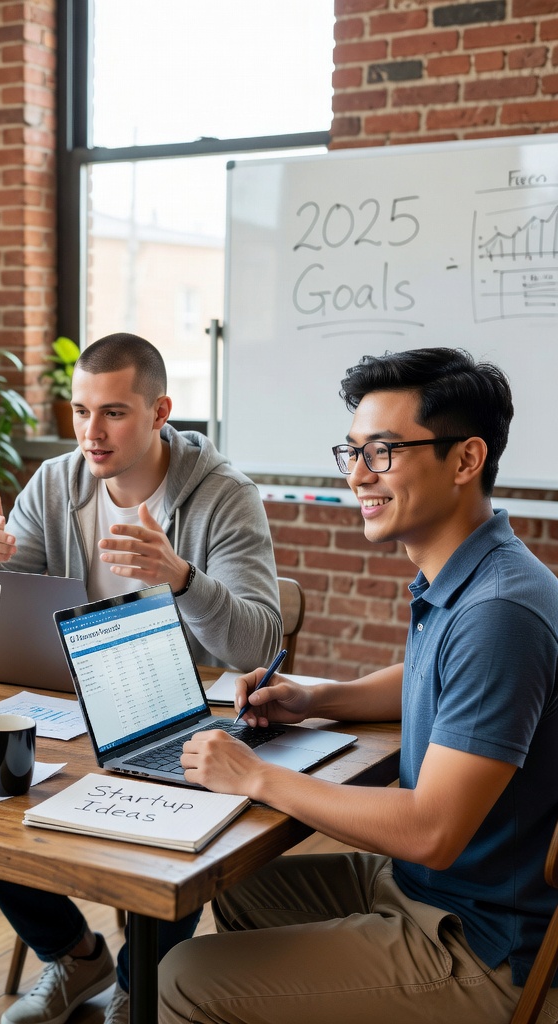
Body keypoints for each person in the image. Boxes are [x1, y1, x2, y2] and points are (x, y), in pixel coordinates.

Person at [160, 347, 558, 1024]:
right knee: (238, 887)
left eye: (383, 452)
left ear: (465, 460)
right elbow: (436, 675)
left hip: (479, 943)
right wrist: (319, 698)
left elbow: (432, 830)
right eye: (352, 453)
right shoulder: (476, 573)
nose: (358, 476)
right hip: (428, 891)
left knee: (183, 978)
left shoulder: (499, 612)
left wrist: (255, 775)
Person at [0, 332, 282, 1024]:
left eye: (113, 413)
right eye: (80, 412)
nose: (90, 432)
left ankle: (139, 989)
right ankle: (77, 958)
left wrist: (182, 578)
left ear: (160, 410)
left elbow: (257, 638)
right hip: (74, 706)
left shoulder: (223, 496)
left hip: (181, 710)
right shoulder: (58, 481)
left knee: (181, 828)